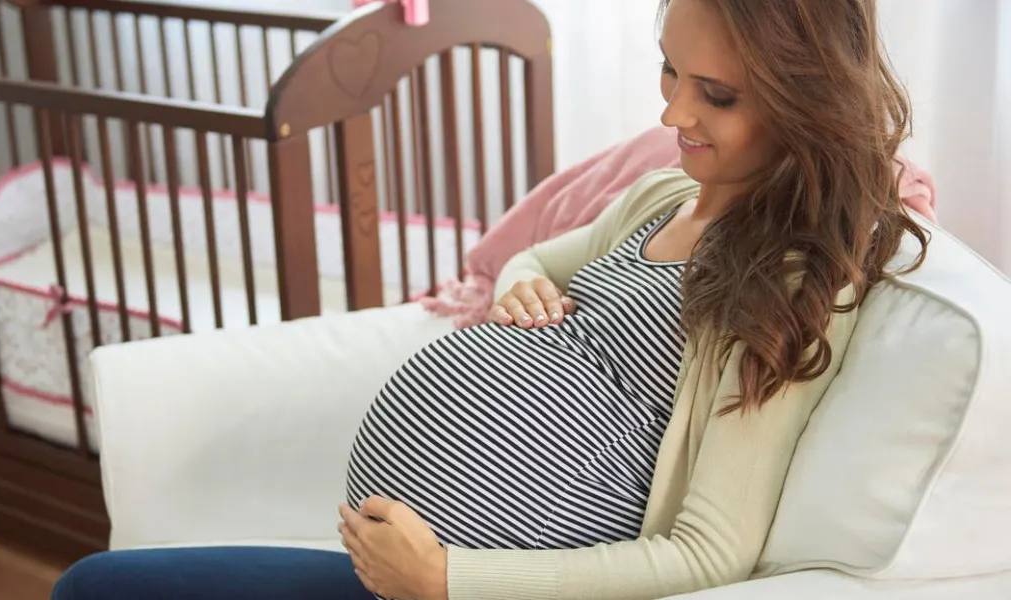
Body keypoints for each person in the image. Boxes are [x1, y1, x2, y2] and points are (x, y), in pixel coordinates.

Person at [51, 0, 929, 598]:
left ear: (803, 100)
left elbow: (709, 550)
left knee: (97, 590)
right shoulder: (665, 197)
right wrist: (524, 284)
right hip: (395, 575)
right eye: (671, 74)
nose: (673, 115)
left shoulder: (792, 280)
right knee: (94, 583)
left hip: (466, 588)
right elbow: (536, 257)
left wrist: (448, 579)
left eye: (718, 96)